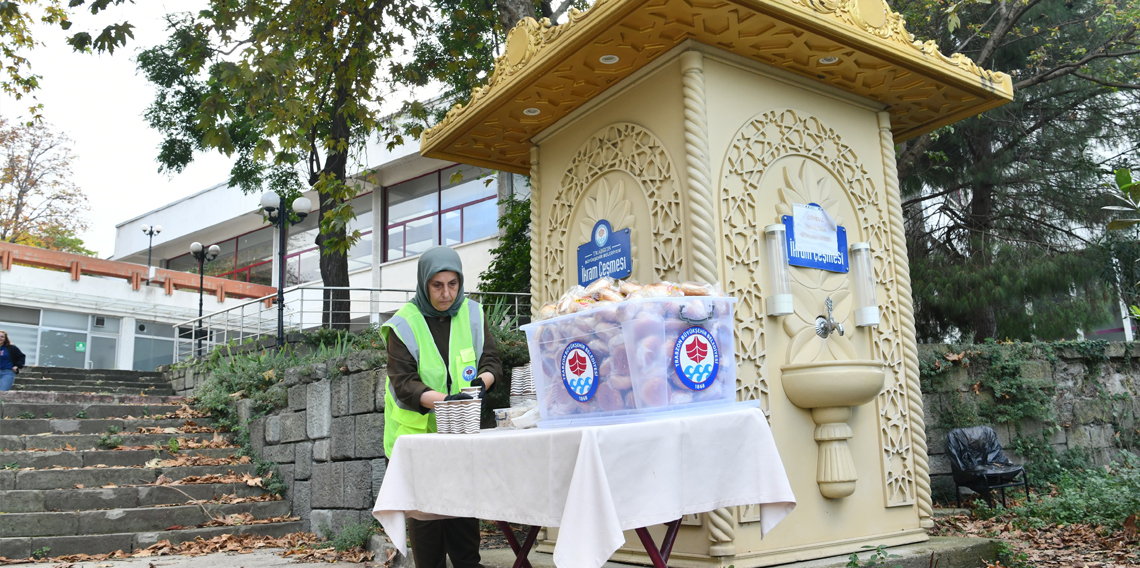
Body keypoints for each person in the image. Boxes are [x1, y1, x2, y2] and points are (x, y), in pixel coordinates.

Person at [380, 246, 503, 568]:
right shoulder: (403, 324)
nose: (446, 293)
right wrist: (447, 402)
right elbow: (404, 383)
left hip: (461, 436)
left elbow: (490, 360)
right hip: (417, 440)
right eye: (437, 285)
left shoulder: (473, 313)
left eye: (453, 284)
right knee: (428, 531)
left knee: (464, 524)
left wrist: (482, 382)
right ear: (424, 284)